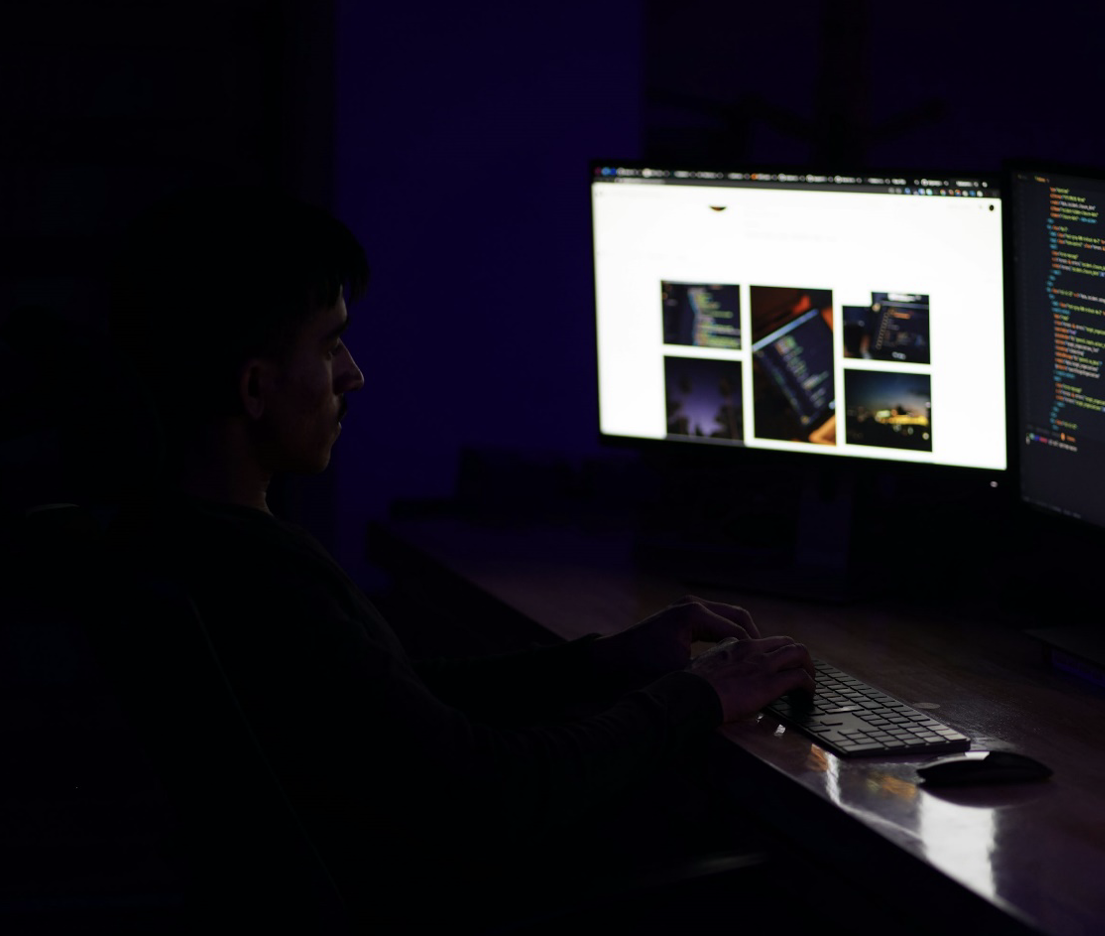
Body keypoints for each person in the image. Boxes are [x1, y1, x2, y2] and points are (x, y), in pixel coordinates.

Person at [103, 185, 816, 929]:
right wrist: (695, 697)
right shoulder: (263, 579)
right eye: (328, 343)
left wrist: (602, 663)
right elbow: (495, 793)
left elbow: (394, 706)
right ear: (255, 387)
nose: (353, 374)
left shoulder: (186, 539)